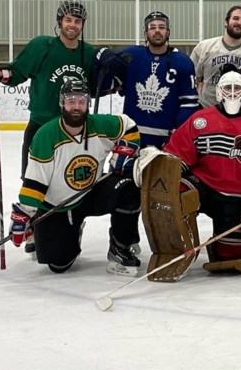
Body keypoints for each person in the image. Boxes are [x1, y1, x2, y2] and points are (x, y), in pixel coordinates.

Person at [0, 0, 127, 179]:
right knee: (33, 181)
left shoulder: (89, 53)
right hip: (41, 126)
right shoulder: (42, 46)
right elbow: (15, 73)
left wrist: (116, 80)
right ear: (59, 22)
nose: (72, 25)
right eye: (68, 20)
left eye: (77, 21)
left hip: (76, 129)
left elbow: (95, 89)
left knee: (73, 183)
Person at [12, 78, 143, 276]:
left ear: (87, 103)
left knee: (129, 187)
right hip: (59, 204)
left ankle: (120, 248)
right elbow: (36, 181)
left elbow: (129, 126)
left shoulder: (100, 125)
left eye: (81, 101)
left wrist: (125, 150)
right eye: (71, 100)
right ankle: (69, 229)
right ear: (61, 103)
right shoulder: (46, 135)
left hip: (92, 193)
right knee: (58, 264)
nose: (76, 106)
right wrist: (25, 213)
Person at [162, 71, 241, 273]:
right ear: (218, 92)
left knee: (228, 256)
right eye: (228, 88)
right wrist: (161, 170)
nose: (233, 94)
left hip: (237, 196)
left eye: (237, 89)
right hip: (204, 186)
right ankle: (174, 246)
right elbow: (177, 156)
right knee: (176, 190)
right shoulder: (200, 120)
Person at [105, 11, 200, 149]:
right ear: (145, 33)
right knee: (123, 171)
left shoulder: (183, 62)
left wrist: (177, 131)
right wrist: (103, 67)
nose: (157, 31)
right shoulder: (130, 56)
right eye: (152, 27)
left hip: (167, 139)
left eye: (161, 27)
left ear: (168, 32)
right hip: (132, 137)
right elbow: (111, 86)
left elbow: (189, 103)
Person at [190, 5, 241, 108]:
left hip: (240, 112)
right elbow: (192, 80)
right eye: (236, 18)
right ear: (226, 22)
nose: (239, 22)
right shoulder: (204, 47)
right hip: (207, 109)